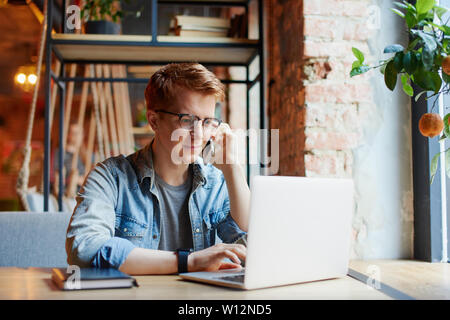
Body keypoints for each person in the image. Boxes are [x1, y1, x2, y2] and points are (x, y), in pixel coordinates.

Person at [66, 63, 250, 275]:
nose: (199, 134)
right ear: (154, 121)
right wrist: (189, 262)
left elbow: (251, 249)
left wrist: (233, 168)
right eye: (187, 120)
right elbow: (84, 250)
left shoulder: (216, 182)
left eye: (207, 121)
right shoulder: (110, 177)